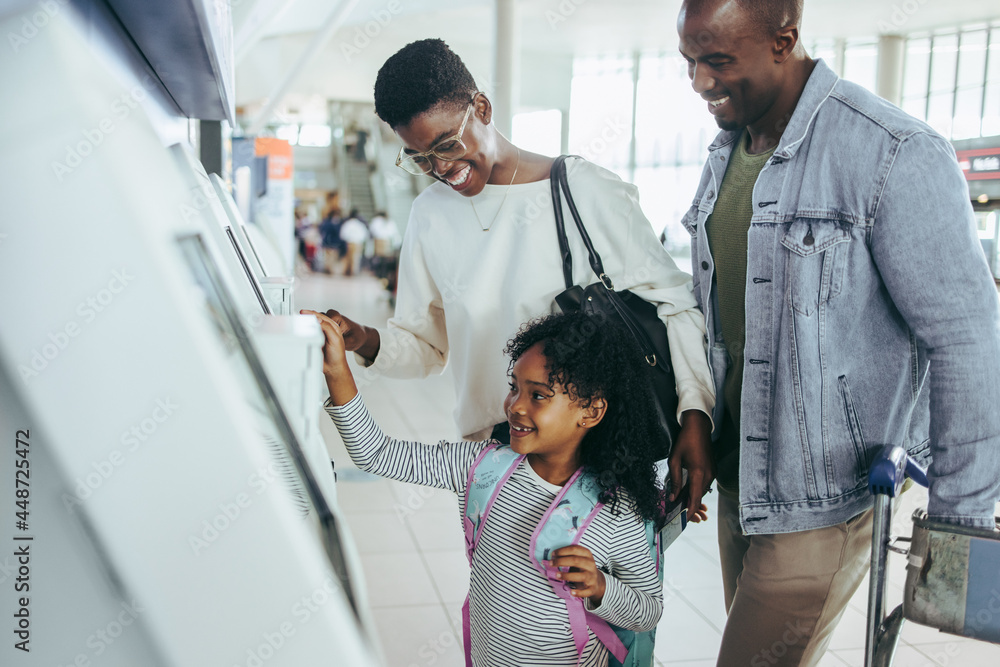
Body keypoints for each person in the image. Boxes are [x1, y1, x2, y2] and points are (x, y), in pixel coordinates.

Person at [676, 1, 1000, 665]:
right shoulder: (727, 151)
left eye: (717, 61)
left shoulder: (892, 152)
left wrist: (961, 525)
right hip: (745, 479)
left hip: (824, 500)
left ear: (784, 40)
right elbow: (720, 316)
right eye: (690, 61)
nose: (700, 82)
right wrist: (697, 421)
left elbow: (967, 337)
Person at [317, 39, 716, 520]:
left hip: (595, 464)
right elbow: (428, 347)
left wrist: (695, 416)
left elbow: (675, 305)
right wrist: (364, 339)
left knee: (601, 594)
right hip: (493, 468)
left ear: (481, 107)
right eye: (421, 158)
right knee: (502, 595)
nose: (442, 169)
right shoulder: (430, 215)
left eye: (447, 144)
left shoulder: (582, 192)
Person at [309, 309, 670, 666]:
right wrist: (337, 371)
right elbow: (378, 454)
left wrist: (601, 588)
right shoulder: (481, 467)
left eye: (539, 395)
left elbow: (648, 611)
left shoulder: (616, 510)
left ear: (590, 412)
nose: (515, 406)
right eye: (514, 388)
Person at [339, 208, 370, 277]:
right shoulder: (360, 224)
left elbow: (343, 234)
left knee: (348, 258)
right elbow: (365, 235)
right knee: (356, 258)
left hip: (349, 242)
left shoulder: (347, 223)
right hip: (358, 243)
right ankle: (353, 272)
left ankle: (347, 271)